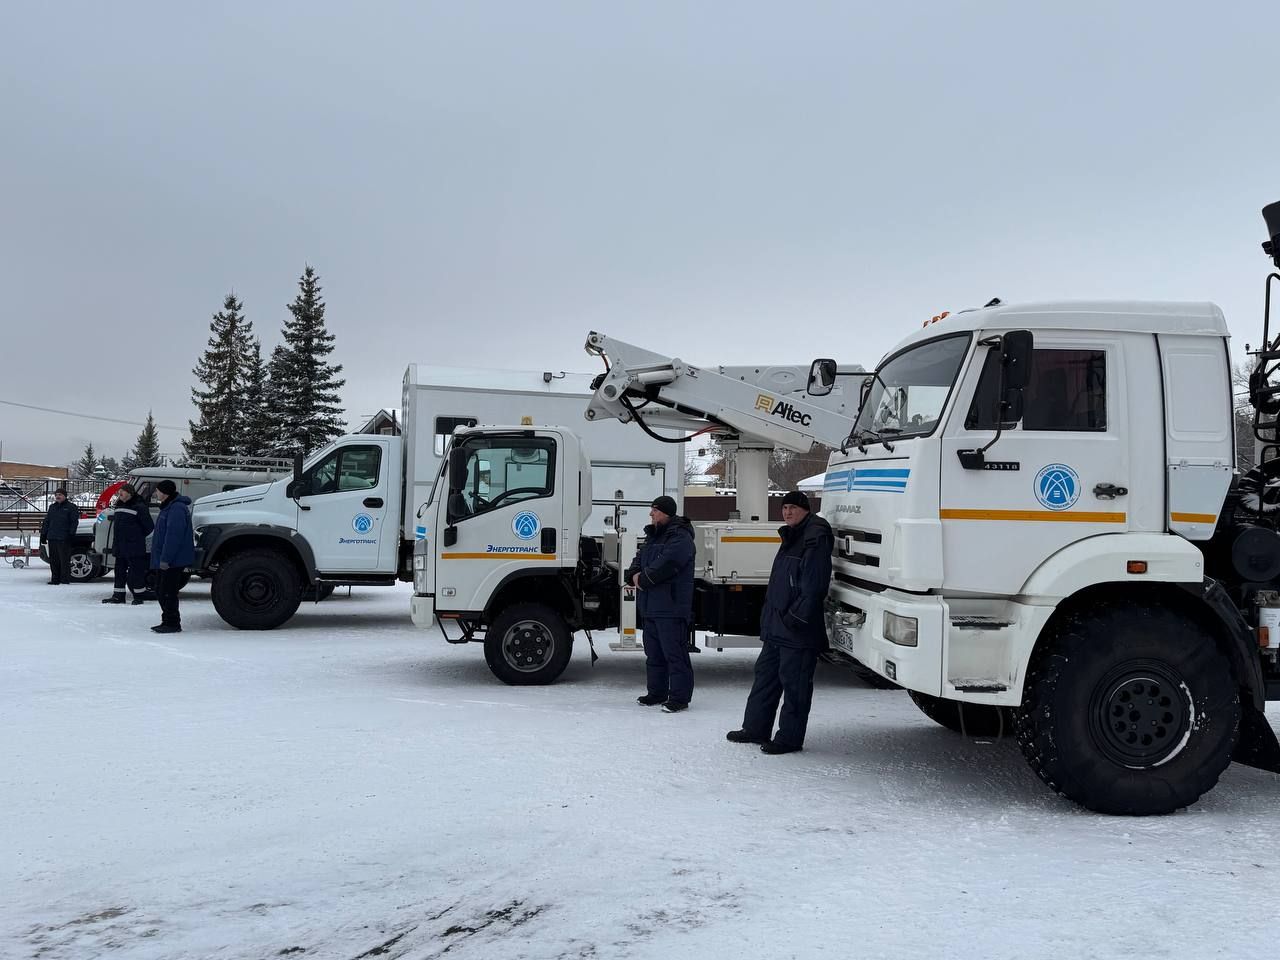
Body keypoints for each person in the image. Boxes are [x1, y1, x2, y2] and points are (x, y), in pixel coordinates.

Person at [727, 490, 833, 754]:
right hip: (777, 626)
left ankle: (789, 738)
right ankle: (755, 729)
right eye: (784, 508)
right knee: (765, 678)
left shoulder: (814, 537)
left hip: (797, 629)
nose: (787, 512)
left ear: (805, 510)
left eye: (793, 508)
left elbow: (814, 585)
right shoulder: (792, 535)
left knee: (794, 686)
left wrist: (795, 618)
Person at [625, 494, 696, 713]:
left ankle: (679, 698)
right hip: (651, 607)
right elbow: (638, 560)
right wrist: (632, 574)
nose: (651, 514)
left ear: (665, 513)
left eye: (654, 510)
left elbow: (666, 565)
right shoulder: (653, 536)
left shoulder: (680, 537)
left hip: (671, 608)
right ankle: (656, 693)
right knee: (654, 654)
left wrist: (641, 579)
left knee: (675, 655)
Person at [150, 479, 194, 633]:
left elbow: (173, 537)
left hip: (173, 560)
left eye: (158, 490)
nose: (156, 493)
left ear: (165, 492)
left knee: (167, 591)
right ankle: (167, 621)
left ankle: (172, 623)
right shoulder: (168, 507)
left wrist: (166, 559)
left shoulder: (176, 509)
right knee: (161, 590)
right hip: (167, 559)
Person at [101, 484, 154, 605]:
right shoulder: (119, 506)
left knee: (136, 572)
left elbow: (149, 527)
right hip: (120, 546)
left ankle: (138, 596)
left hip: (134, 547)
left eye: (122, 493)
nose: (120, 495)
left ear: (129, 493)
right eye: (119, 493)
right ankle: (118, 596)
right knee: (119, 571)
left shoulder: (139, 506)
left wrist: (136, 537)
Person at [40, 487, 81, 585]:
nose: (58, 497)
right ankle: (55, 579)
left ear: (65, 496)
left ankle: (65, 579)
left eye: (60, 495)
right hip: (52, 536)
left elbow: (74, 522)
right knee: (53, 560)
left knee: (64, 559)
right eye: (56, 495)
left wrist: (71, 534)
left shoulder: (71, 507)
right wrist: (44, 534)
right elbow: (47, 521)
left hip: (64, 537)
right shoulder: (52, 507)